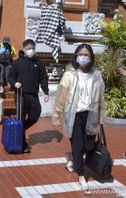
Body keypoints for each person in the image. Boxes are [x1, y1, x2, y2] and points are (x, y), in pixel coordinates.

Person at [52, 43, 105, 195]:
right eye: (80, 54)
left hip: (91, 114)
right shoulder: (70, 74)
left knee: (88, 146)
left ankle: (71, 157)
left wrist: (101, 115)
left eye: (86, 54)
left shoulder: (97, 75)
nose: (83, 57)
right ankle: (81, 176)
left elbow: (101, 96)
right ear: (76, 56)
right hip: (74, 115)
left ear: (91, 57)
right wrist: (56, 115)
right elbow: (61, 96)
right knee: (78, 145)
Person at [8, 39, 49, 153]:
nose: (30, 50)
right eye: (28, 48)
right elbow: (10, 77)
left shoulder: (39, 63)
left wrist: (46, 92)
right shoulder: (17, 62)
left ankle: (19, 129)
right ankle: (22, 144)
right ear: (24, 49)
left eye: (32, 48)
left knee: (36, 114)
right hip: (21, 95)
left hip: (33, 95)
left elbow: (43, 78)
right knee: (21, 118)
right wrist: (14, 83)